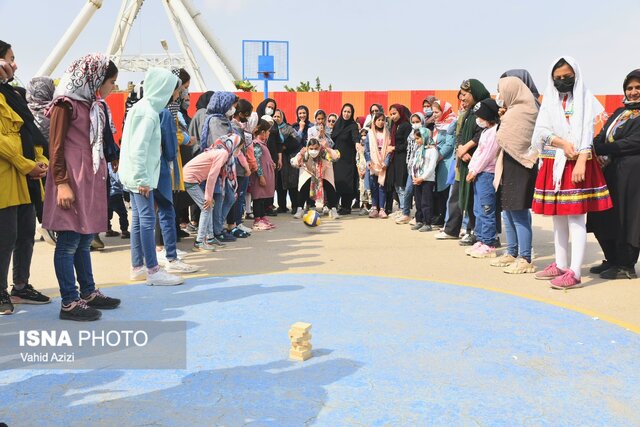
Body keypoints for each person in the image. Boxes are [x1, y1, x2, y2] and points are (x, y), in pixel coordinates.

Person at [42, 53, 122, 320]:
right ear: (95, 78)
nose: (113, 87)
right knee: (68, 241)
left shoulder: (92, 104)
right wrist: (62, 183)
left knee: (85, 237)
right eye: (111, 81)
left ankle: (87, 291)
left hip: (88, 179)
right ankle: (69, 301)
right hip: (71, 179)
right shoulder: (65, 104)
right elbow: (55, 147)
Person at [531, 56, 612, 289]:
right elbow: (541, 131)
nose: (562, 81)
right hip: (555, 161)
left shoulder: (585, 98)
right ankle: (560, 263)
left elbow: (586, 130)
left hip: (578, 162)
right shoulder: (550, 101)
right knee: (558, 217)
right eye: (557, 78)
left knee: (576, 217)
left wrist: (581, 161)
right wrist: (561, 143)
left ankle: (574, 272)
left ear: (575, 76)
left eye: (567, 77)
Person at [119, 67, 184, 287]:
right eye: (174, 91)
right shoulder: (148, 113)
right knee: (147, 221)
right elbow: (139, 148)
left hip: (134, 175)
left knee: (139, 220)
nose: (176, 95)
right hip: (140, 177)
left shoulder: (142, 107)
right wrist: (142, 179)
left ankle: (137, 266)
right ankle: (153, 271)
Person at [0, 40, 51, 314]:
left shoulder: (14, 96)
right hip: (6, 179)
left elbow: (32, 135)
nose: (15, 64)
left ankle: (21, 286)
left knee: (25, 235)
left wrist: (40, 160)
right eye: (10, 58)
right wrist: (25, 163)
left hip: (26, 179)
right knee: (4, 237)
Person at [588, 69, 640, 280]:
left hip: (632, 174)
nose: (634, 92)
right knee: (603, 216)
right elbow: (600, 137)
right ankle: (612, 259)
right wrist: (598, 149)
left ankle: (626, 265)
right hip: (609, 172)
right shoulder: (620, 112)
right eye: (629, 88)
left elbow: (634, 142)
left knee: (627, 218)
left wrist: (604, 149)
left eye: (638, 87)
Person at [490, 76, 540, 273]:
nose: (499, 96)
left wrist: (504, 120)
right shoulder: (512, 111)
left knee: (518, 212)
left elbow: (507, 138)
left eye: (501, 91)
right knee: (508, 211)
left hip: (521, 165)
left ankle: (525, 257)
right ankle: (512, 251)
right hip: (509, 165)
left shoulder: (525, 111)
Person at [183, 134, 242, 251]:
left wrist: (209, 197)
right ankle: (199, 241)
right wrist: (208, 196)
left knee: (209, 205)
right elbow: (212, 175)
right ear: (233, 145)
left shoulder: (219, 151)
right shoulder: (223, 154)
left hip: (191, 178)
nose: (239, 152)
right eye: (239, 148)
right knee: (206, 207)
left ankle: (210, 238)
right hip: (190, 179)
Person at [464, 99, 501, 258]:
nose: (478, 120)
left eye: (480, 116)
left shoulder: (494, 132)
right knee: (477, 209)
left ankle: (489, 243)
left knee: (486, 209)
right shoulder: (485, 132)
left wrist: (475, 170)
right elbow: (478, 153)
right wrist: (472, 169)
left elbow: (487, 155)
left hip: (487, 174)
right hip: (479, 173)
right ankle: (480, 238)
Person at [291, 138, 341, 218]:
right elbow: (294, 163)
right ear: (307, 148)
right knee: (303, 187)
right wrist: (300, 155)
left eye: (316, 148)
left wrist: (327, 148)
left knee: (330, 187)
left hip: (325, 171)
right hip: (309, 172)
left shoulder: (324, 152)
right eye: (311, 148)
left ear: (319, 147)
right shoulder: (304, 153)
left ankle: (333, 209)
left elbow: (336, 157)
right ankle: (300, 209)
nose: (313, 150)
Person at [431, 100, 457, 227]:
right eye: (433, 112)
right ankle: (441, 217)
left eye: (437, 112)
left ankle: (447, 220)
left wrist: (437, 157)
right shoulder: (439, 124)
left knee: (445, 191)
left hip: (446, 161)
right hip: (438, 161)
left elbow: (449, 144)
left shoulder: (450, 123)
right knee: (439, 191)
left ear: (444, 111)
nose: (434, 114)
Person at [396, 112, 424, 224]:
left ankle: (419, 217)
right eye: (413, 122)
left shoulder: (424, 133)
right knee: (408, 191)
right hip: (411, 166)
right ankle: (406, 214)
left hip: (421, 167)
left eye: (418, 122)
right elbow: (409, 150)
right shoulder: (411, 134)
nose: (415, 124)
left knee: (419, 193)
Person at [331, 103, 360, 214]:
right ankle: (334, 205)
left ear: (352, 113)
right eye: (345, 111)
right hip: (336, 159)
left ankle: (346, 207)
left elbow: (355, 136)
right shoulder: (337, 124)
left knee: (347, 183)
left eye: (349, 112)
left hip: (348, 160)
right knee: (337, 182)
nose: (346, 114)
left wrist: (357, 143)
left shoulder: (353, 125)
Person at [364, 112, 393, 218]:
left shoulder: (387, 133)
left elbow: (389, 150)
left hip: (383, 164)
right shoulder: (370, 134)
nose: (381, 122)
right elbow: (366, 150)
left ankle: (382, 209)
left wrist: (386, 162)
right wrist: (368, 161)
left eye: (382, 120)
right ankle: (374, 208)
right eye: (378, 120)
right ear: (374, 121)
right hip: (373, 163)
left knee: (382, 186)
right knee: (373, 187)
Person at [250, 119, 277, 230]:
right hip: (260, 177)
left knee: (263, 198)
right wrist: (260, 176)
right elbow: (256, 161)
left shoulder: (262, 144)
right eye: (268, 131)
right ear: (262, 132)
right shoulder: (256, 144)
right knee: (258, 198)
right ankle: (257, 219)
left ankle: (262, 217)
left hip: (266, 175)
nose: (269, 133)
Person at [410, 128, 439, 232]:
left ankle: (427, 222)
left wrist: (422, 178)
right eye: (416, 139)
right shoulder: (419, 149)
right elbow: (414, 163)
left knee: (426, 202)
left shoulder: (433, 150)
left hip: (427, 180)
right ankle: (419, 220)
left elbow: (431, 167)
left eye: (418, 138)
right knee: (418, 201)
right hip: (417, 179)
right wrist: (414, 175)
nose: (417, 141)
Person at [388, 104, 413, 219]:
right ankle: (401, 207)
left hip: (402, 158)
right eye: (391, 114)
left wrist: (394, 148)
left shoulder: (406, 125)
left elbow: (407, 144)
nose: (392, 116)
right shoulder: (394, 125)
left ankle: (404, 210)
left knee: (402, 184)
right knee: (397, 184)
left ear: (401, 113)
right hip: (395, 158)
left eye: (395, 113)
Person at [274, 109, 301, 214]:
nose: (276, 118)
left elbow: (297, 140)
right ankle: (282, 206)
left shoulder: (289, 128)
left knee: (292, 184)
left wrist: (284, 146)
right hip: (278, 160)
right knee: (280, 184)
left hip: (289, 159)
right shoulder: (271, 129)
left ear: (282, 117)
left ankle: (295, 206)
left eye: (278, 116)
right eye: (275, 116)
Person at [106, 163, 129, 238]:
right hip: (115, 193)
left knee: (108, 214)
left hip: (107, 193)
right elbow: (118, 179)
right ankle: (124, 231)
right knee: (122, 213)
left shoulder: (106, 164)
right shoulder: (112, 164)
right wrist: (125, 189)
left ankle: (108, 230)